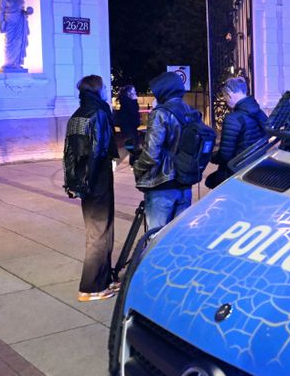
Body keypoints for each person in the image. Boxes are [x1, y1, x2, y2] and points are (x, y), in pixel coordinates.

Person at [62, 75, 120, 302]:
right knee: (99, 233)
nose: (105, 91)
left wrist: (74, 183)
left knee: (101, 230)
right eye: (103, 87)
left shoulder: (77, 115)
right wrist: (92, 181)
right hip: (97, 180)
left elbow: (68, 153)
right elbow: (97, 151)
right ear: (97, 90)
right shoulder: (98, 113)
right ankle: (91, 287)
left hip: (85, 181)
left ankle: (104, 279)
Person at [133, 72, 195, 229]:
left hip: (162, 184)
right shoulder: (191, 112)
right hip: (184, 183)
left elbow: (151, 154)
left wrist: (137, 167)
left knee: (156, 236)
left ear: (163, 90)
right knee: (179, 236)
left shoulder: (160, 113)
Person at [205, 77, 269, 188]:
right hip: (256, 167)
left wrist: (211, 157)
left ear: (230, 93)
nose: (225, 100)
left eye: (225, 96)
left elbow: (225, 155)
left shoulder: (233, 118)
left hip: (236, 170)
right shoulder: (260, 113)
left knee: (210, 182)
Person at [114, 85, 142, 152]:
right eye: (133, 90)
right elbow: (133, 112)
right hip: (128, 126)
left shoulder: (126, 101)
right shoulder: (127, 101)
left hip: (130, 126)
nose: (135, 92)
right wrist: (135, 100)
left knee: (132, 143)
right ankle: (132, 155)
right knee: (131, 144)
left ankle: (133, 155)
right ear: (129, 93)